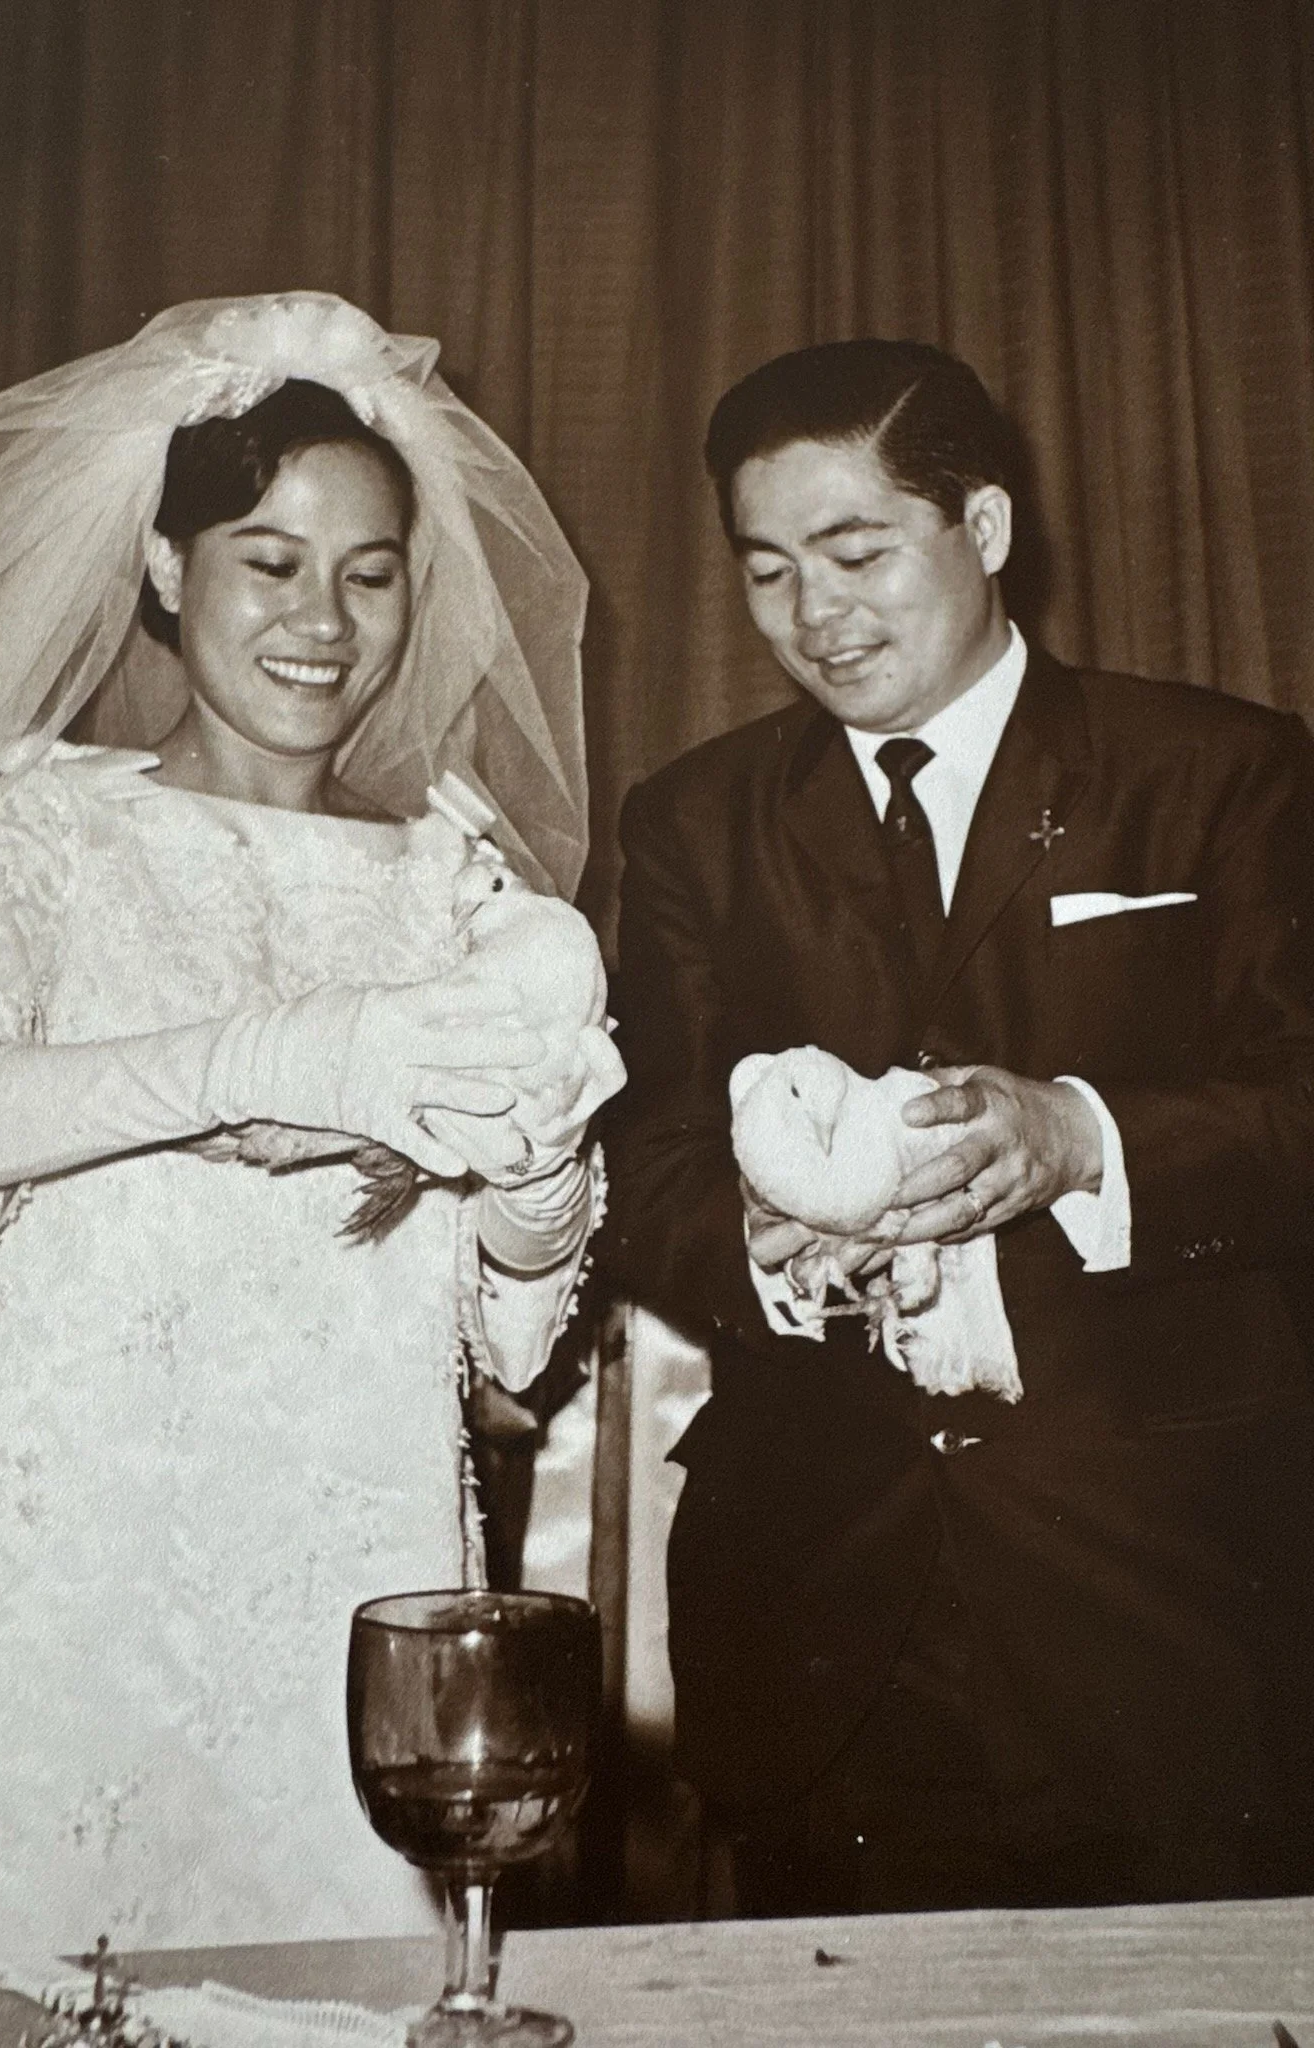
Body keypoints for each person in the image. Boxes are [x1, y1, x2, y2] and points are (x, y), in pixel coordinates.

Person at [0, 293, 620, 1962]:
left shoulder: (459, 886)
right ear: (165, 572)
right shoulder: (46, 838)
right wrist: (274, 1053)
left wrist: (535, 1164)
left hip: (338, 1579)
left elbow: (513, 1332)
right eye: (269, 560)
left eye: (370, 572)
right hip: (39, 1572)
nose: (326, 619)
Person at [603, 337, 1314, 1916]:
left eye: (858, 553)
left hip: (1172, 1607)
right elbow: (641, 1170)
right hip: (821, 1620)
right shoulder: (692, 826)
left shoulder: (1230, 776)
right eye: (770, 570)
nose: (815, 616)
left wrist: (1084, 1136)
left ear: (983, 529)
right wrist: (773, 1256)